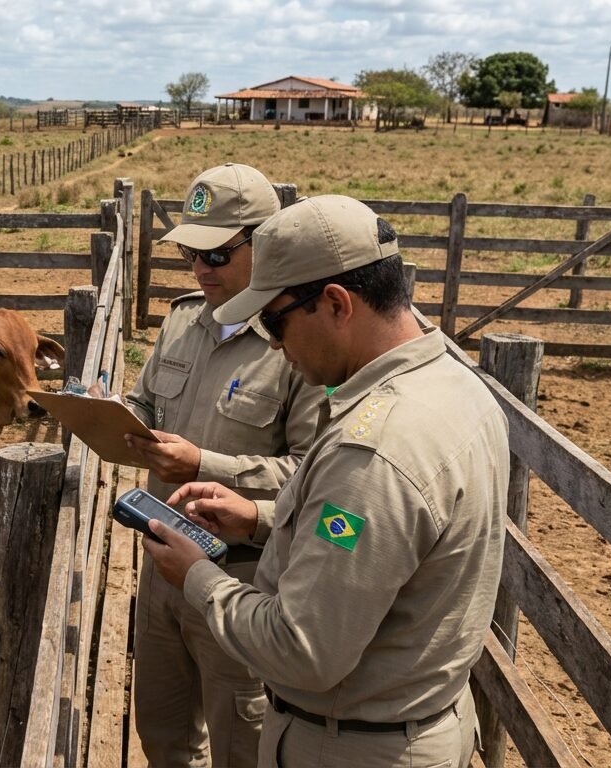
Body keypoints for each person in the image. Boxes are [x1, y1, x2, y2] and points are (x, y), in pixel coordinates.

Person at [143, 194, 508, 768]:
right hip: (412, 720)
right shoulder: (456, 386)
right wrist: (259, 518)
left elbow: (300, 650)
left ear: (337, 303)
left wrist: (197, 577)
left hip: (350, 744)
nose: (273, 343)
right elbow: (383, 545)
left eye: (276, 320)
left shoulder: (374, 452)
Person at [124, 163, 319, 768]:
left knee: (241, 745)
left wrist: (202, 463)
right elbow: (144, 402)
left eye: (217, 254)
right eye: (191, 253)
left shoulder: (298, 343)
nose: (200, 270)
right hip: (161, 563)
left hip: (243, 581)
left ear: (265, 244)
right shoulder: (183, 321)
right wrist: (112, 415)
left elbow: (312, 472)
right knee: (161, 733)